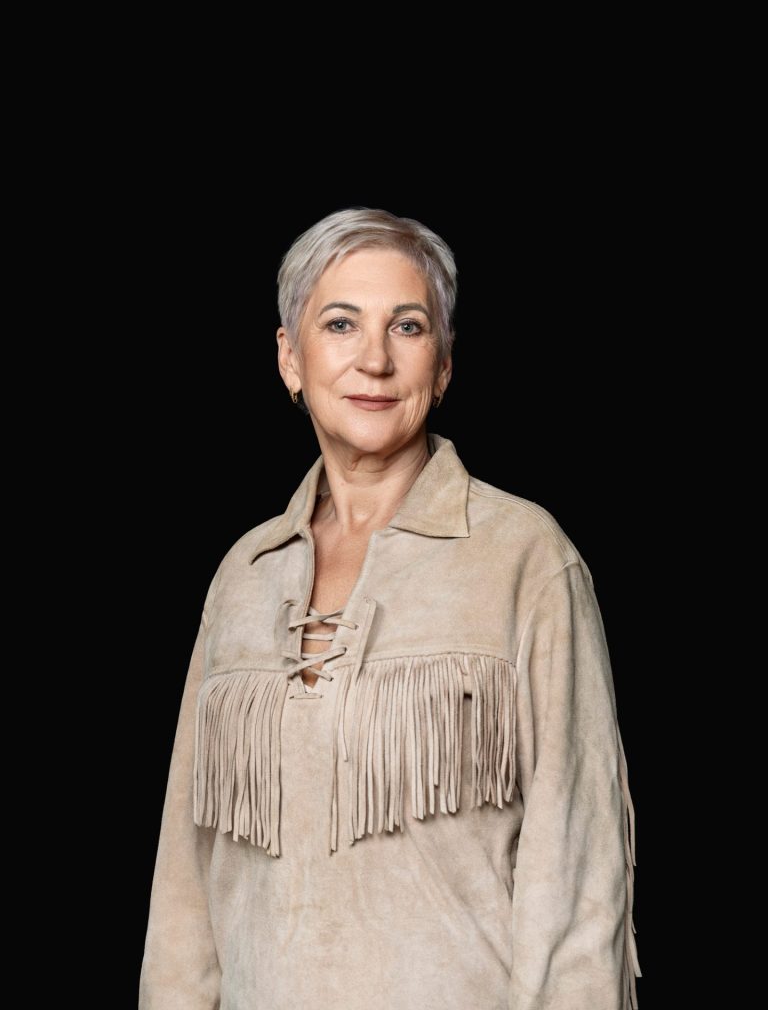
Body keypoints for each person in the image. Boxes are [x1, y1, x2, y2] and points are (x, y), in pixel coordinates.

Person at [139, 207, 642, 1009]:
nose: (373, 359)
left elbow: (580, 882)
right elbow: (186, 886)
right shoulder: (244, 576)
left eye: (407, 327)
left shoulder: (523, 557)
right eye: (341, 324)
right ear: (290, 358)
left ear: (442, 366)